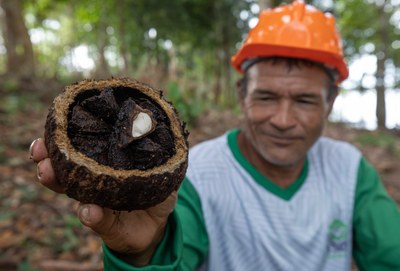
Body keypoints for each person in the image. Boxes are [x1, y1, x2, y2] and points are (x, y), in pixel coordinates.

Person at [30, 1, 400, 270]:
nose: (284, 120)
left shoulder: (350, 169)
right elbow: (173, 251)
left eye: (305, 100)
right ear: (241, 95)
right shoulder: (199, 175)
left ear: (331, 102)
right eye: (266, 97)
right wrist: (142, 255)